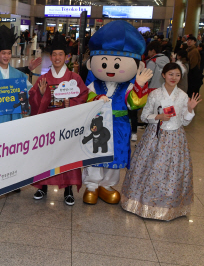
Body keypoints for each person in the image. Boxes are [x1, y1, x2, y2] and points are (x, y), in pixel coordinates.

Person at [83, 20, 153, 205]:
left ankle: (106, 185)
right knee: (94, 155)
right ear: (92, 64)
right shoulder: (93, 84)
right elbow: (84, 99)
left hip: (119, 126)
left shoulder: (129, 86)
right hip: (96, 125)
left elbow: (134, 104)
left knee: (116, 155)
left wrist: (138, 86)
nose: (110, 69)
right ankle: (91, 185)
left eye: (117, 64)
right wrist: (96, 99)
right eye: (104, 63)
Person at [121, 63, 201, 220]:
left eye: (177, 75)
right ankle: (141, 203)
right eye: (171, 74)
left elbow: (184, 122)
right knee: (149, 168)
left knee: (173, 171)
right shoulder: (155, 94)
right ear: (163, 75)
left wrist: (190, 109)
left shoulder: (183, 96)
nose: (174, 78)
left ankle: (170, 207)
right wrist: (158, 117)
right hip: (155, 136)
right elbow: (144, 116)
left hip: (176, 138)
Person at [28, 35, 88, 205]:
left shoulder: (74, 78)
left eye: (60, 54)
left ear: (66, 57)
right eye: (54, 54)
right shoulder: (43, 79)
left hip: (67, 125)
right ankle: (43, 186)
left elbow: (83, 96)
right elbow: (33, 100)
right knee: (46, 155)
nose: (56, 58)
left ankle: (68, 189)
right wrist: (39, 94)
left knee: (67, 155)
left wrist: (72, 102)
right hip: (48, 124)